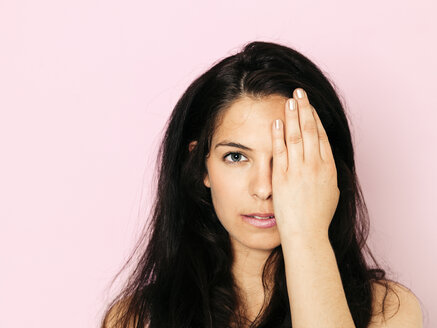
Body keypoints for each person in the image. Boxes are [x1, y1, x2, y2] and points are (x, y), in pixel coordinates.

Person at [100, 41, 423, 328]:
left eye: (288, 156)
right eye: (236, 157)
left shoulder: (387, 311)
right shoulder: (135, 319)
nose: (264, 188)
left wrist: (306, 234)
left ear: (325, 167)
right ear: (202, 166)